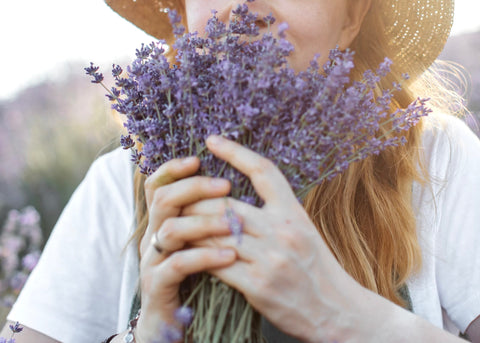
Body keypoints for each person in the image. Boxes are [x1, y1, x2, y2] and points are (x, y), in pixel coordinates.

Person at [2, 0, 480, 342]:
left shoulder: (432, 159)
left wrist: (349, 316)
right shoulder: (118, 184)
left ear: (352, 17)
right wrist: (147, 335)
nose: (247, 6)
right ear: (182, 14)